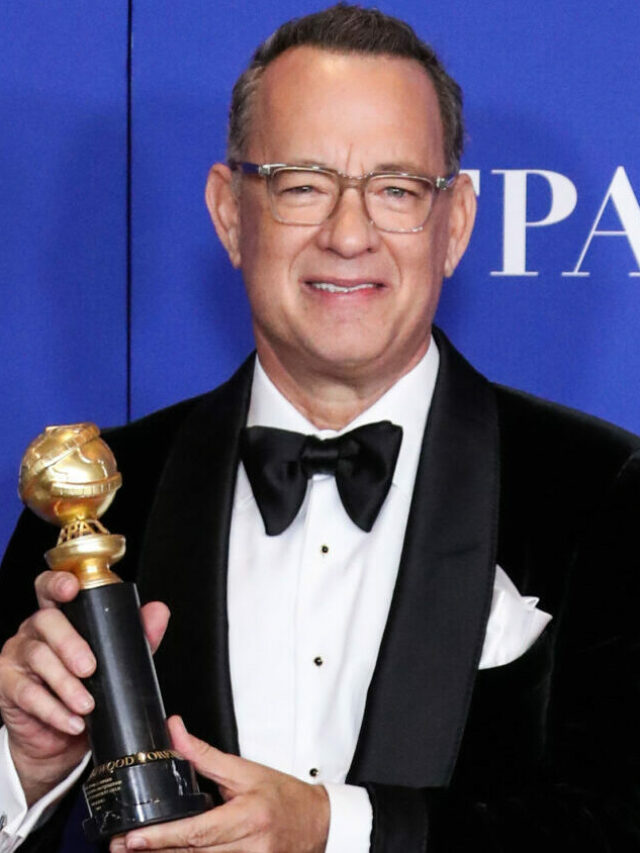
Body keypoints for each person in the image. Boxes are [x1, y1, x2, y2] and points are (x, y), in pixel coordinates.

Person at [1, 4, 639, 852]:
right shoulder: (103, 488)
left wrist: (334, 826)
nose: (348, 234)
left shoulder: (601, 487)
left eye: (396, 189)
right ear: (231, 211)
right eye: (302, 183)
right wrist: (28, 766)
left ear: (455, 224)